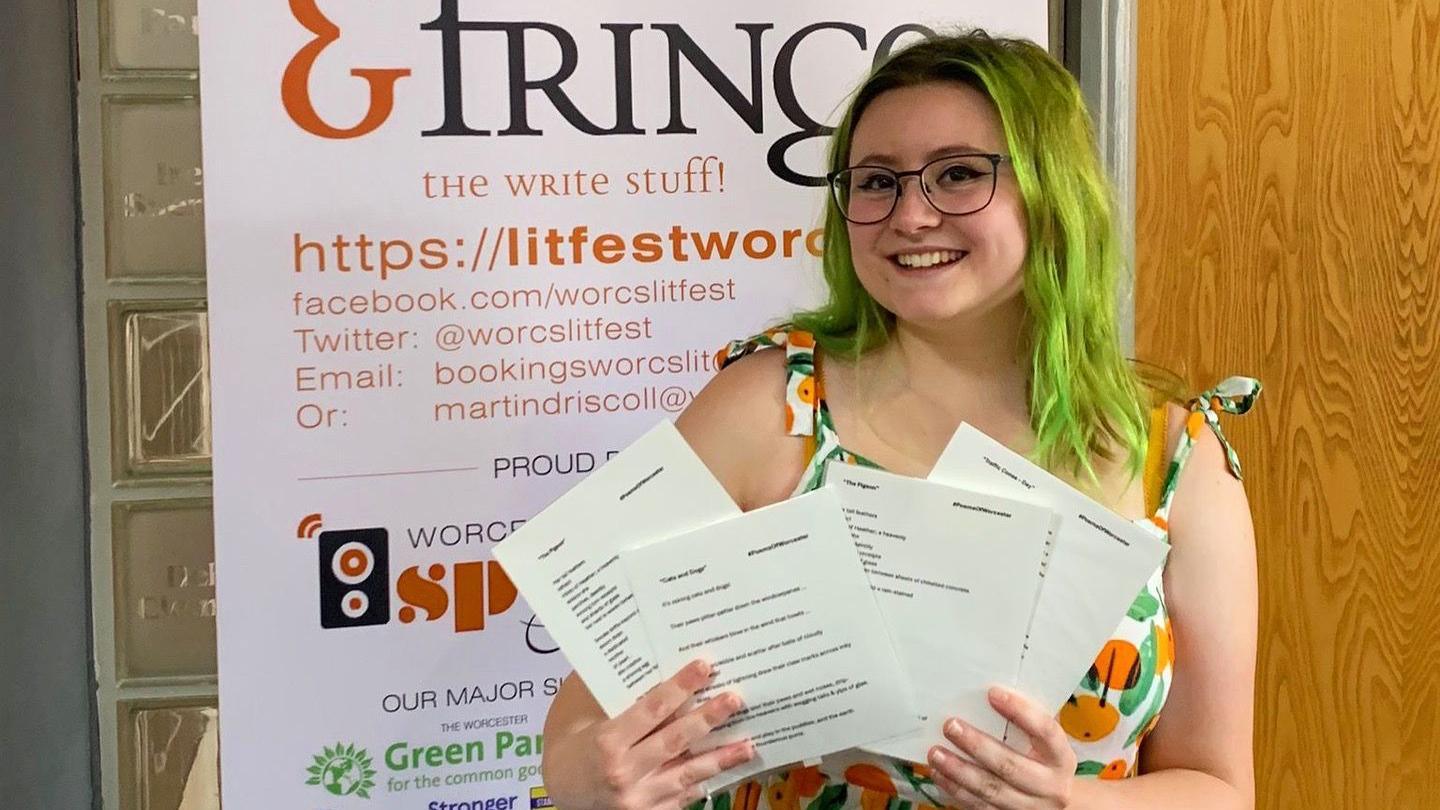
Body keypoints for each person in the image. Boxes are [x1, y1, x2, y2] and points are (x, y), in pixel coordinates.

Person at [539, 30, 1261, 810]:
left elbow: (1218, 786)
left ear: (1054, 193)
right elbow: (583, 721)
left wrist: (1073, 804)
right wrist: (593, 779)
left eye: (957, 175)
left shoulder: (1173, 459)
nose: (909, 215)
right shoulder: (766, 407)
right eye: (877, 181)